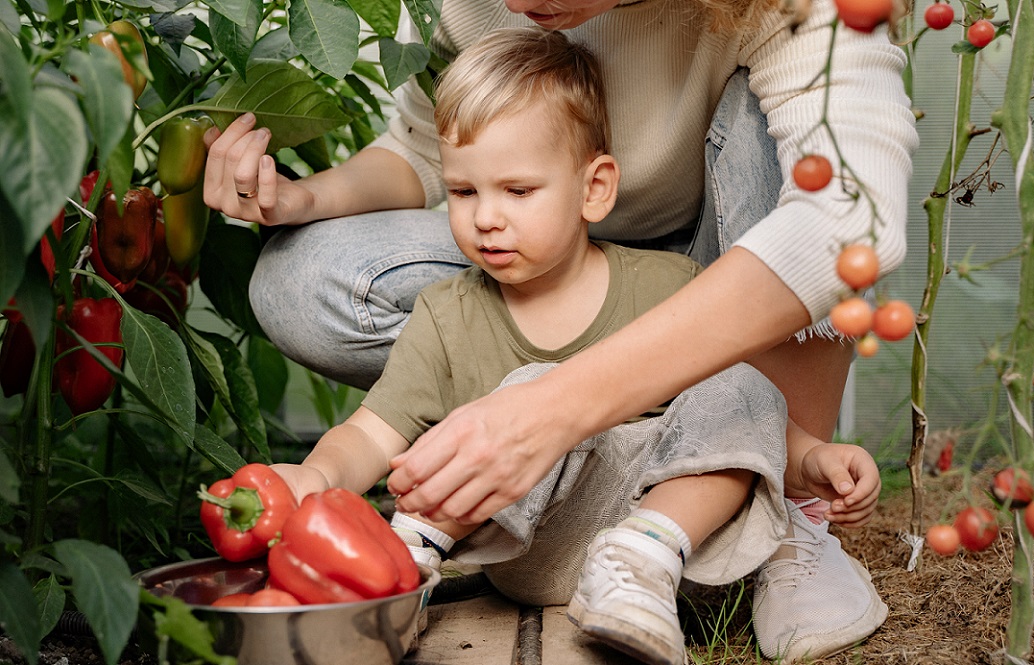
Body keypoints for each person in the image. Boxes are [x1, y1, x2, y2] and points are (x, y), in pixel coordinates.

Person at [204, 0, 916, 661]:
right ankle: (417, 544)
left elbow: (847, 218)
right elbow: (428, 146)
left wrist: (808, 459)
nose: (513, 3)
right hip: (533, 533)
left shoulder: (670, 284)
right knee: (329, 286)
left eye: (514, 190)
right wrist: (306, 197)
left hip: (714, 273)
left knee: (735, 378)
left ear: (596, 185)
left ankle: (774, 526)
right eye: (467, 193)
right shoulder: (452, 310)